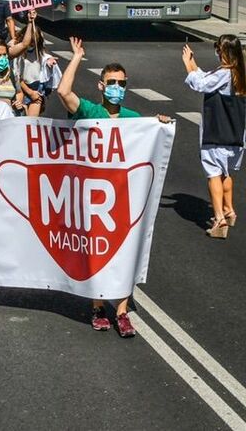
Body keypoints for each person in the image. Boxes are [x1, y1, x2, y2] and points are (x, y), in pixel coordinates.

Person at [58, 38, 171, 336]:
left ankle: (122, 311)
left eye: (121, 83)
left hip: (122, 196)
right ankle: (97, 307)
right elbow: (63, 92)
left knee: (125, 250)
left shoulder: (134, 120)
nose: (117, 87)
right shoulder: (89, 112)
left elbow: (149, 143)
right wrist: (77, 57)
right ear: (100, 85)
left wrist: (159, 124)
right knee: (95, 251)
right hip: (91, 197)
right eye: (111, 82)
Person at [182, 36, 246, 238]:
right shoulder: (239, 73)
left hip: (217, 132)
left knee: (213, 174)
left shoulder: (225, 73)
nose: (216, 52)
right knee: (226, 173)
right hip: (235, 134)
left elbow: (202, 85)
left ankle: (219, 219)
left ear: (225, 52)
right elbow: (207, 79)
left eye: (218, 49)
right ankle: (229, 210)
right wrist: (193, 64)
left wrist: (187, 66)